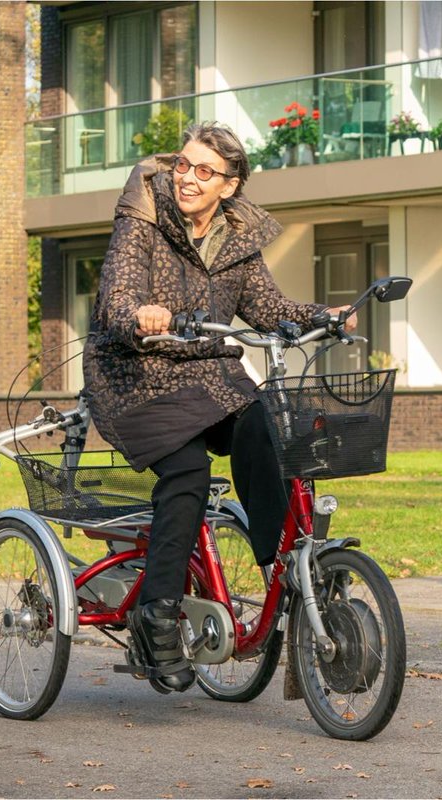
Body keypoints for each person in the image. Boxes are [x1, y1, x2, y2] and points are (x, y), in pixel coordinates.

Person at [82, 122, 356, 693]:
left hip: (207, 376)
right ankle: (156, 617)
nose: (187, 178)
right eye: (183, 165)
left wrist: (321, 316)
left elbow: (267, 306)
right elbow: (117, 294)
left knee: (267, 425)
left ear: (228, 185)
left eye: (203, 171)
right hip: (135, 376)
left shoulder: (234, 238)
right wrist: (140, 314)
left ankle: (280, 563)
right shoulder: (143, 219)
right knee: (188, 470)